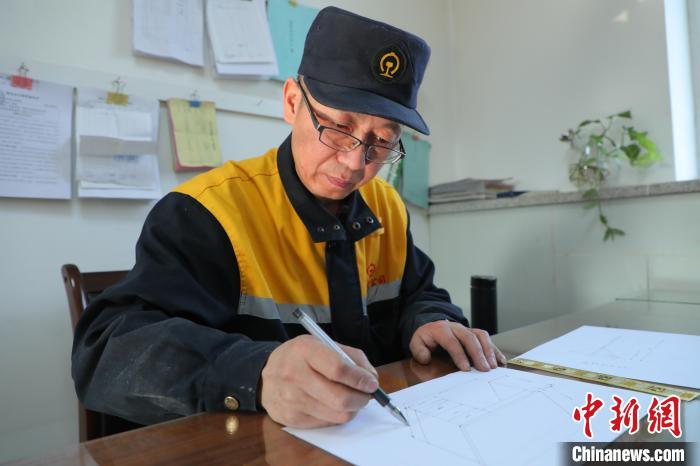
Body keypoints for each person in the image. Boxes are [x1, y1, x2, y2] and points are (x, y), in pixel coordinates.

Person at [72, 6, 506, 430]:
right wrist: (256, 372)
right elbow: (104, 353)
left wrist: (429, 320)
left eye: (381, 141)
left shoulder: (385, 205)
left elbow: (420, 293)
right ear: (292, 101)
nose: (355, 163)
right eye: (339, 128)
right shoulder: (207, 212)